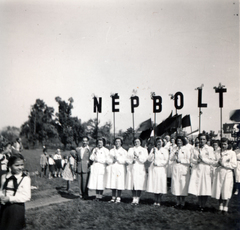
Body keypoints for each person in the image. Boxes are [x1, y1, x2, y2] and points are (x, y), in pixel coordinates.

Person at [0, 153, 31, 230]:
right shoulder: (4, 177)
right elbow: (2, 190)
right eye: (17, 165)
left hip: (17, 208)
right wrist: (1, 197)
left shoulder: (25, 179)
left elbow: (26, 196)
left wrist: (10, 199)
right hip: (4, 207)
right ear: (10, 166)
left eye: (22, 165)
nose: (20, 167)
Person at [188, 133, 217, 212]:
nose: (202, 141)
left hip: (205, 169)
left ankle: (203, 205)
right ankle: (199, 204)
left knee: (205, 187)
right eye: (200, 139)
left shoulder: (210, 149)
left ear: (206, 140)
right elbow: (191, 159)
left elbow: (213, 161)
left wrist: (203, 159)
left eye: (204, 139)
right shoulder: (195, 149)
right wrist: (197, 161)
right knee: (199, 187)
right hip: (197, 169)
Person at [212, 138, 237, 214]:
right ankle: (220, 206)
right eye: (222, 144)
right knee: (219, 190)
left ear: (228, 144)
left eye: (225, 144)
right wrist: (218, 163)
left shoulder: (232, 153)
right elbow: (213, 162)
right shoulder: (217, 152)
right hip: (219, 172)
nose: (223, 146)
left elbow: (234, 165)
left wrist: (224, 164)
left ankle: (225, 207)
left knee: (226, 190)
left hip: (227, 173)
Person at [126, 137, 148, 205]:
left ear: (140, 142)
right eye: (135, 141)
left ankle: (137, 198)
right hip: (132, 167)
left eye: (138, 141)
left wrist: (138, 156)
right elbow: (127, 159)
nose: (136, 143)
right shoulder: (130, 149)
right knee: (132, 183)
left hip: (140, 168)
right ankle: (133, 198)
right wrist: (131, 161)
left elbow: (144, 159)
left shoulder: (144, 150)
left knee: (139, 184)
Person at [147, 137, 169, 206]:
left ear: (162, 143)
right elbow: (149, 159)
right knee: (155, 184)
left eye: (160, 141)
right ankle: (155, 200)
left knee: (160, 184)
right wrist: (152, 153)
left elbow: (166, 161)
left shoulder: (165, 150)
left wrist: (158, 164)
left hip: (161, 169)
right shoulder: (153, 150)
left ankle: (159, 200)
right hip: (154, 169)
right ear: (156, 143)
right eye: (158, 142)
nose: (159, 143)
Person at [170, 136, 191, 209]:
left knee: (182, 186)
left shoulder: (186, 149)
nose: (179, 142)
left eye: (180, 141)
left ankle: (183, 203)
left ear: (183, 141)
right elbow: (170, 158)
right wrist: (174, 153)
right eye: (178, 141)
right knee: (176, 185)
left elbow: (189, 161)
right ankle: (177, 202)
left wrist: (181, 161)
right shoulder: (174, 149)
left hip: (183, 169)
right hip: (176, 169)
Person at [106, 137, 127, 203]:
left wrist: (117, 159)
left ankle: (118, 198)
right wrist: (112, 160)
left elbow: (125, 160)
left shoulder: (124, 151)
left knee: (119, 182)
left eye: (119, 141)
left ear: (121, 142)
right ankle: (113, 197)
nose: (117, 143)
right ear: (114, 142)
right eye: (116, 141)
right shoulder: (111, 151)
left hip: (120, 168)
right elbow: (107, 160)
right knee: (113, 182)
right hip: (113, 167)